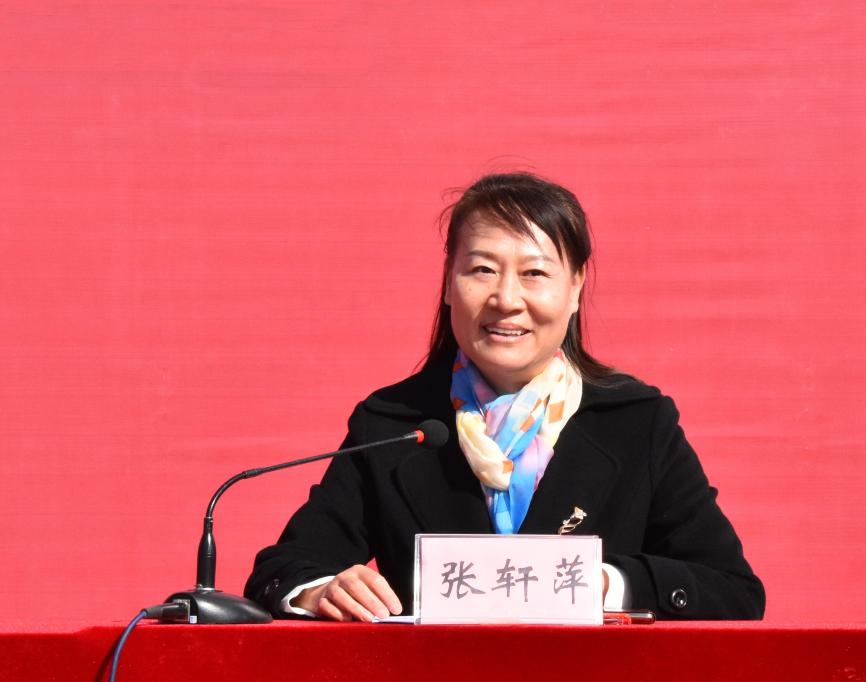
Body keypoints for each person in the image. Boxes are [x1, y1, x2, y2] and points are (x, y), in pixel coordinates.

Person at [245, 172, 765, 621]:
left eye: (534, 273)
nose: (506, 299)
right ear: (448, 283)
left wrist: (605, 584)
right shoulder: (394, 424)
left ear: (576, 287)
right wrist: (319, 591)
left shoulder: (636, 423)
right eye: (483, 270)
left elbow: (732, 590)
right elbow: (284, 569)